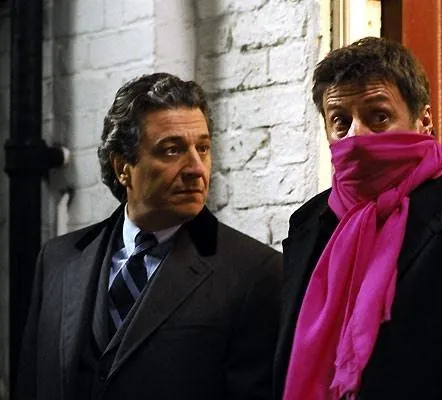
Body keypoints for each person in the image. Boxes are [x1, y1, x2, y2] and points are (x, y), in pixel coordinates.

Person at [18, 72, 282, 400]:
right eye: (172, 150)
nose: (196, 168)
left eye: (202, 148)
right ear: (122, 168)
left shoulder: (256, 273)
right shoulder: (58, 259)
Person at [274, 37, 442, 400]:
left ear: (424, 121)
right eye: (341, 121)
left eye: (378, 117)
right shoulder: (309, 223)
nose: (356, 136)